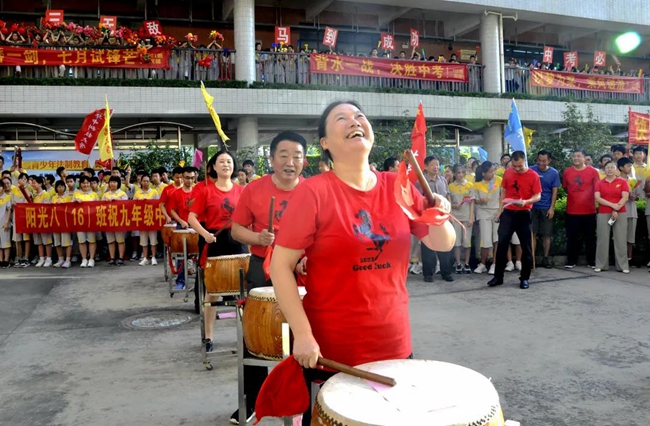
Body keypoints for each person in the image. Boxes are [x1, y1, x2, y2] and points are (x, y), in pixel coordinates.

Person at [269, 101, 454, 426]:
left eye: (359, 116)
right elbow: (280, 267)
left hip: (395, 343)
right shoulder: (313, 193)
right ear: (325, 143)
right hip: (333, 352)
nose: (354, 121)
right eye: (341, 118)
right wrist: (302, 334)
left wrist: (437, 215)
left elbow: (442, 243)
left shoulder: (398, 187)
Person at [230, 131, 307, 424]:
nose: (291, 161)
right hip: (262, 265)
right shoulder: (254, 189)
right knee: (257, 337)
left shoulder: (312, 190)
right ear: (272, 159)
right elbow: (237, 230)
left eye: (297, 156)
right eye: (284, 155)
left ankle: (304, 401)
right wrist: (258, 236)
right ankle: (253, 400)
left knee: (305, 335)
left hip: (301, 267)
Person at [188, 151, 246, 353]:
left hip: (239, 242)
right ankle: (209, 336)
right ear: (213, 167)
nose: (226, 164)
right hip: (215, 241)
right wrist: (205, 234)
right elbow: (192, 218)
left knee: (245, 292)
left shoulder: (242, 191)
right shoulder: (205, 191)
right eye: (221, 161)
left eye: (229, 161)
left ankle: (247, 337)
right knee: (212, 293)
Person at [487, 151, 541, 289]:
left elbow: (538, 195)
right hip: (508, 213)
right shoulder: (508, 173)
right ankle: (498, 277)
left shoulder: (533, 175)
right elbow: (503, 191)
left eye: (520, 166)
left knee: (526, 247)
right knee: (501, 245)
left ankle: (524, 278)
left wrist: (527, 201)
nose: (517, 169)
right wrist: (500, 210)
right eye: (514, 166)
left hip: (524, 213)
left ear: (524, 161)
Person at [417, 155, 455, 283]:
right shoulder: (421, 181)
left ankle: (446, 272)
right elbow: (417, 200)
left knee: (444, 244)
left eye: (437, 164)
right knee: (428, 246)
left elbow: (447, 196)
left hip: (442, 218)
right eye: (433, 164)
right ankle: (428, 274)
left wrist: (449, 213)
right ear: (426, 166)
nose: (436, 167)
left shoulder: (443, 180)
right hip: (428, 219)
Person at [562, 149, 600, 269]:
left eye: (579, 156)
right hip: (572, 210)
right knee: (572, 236)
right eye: (574, 156)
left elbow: (597, 189)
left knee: (590, 237)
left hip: (589, 210)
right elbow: (565, 187)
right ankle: (571, 260)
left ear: (585, 158)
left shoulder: (593, 171)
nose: (576, 158)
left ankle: (591, 260)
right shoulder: (567, 172)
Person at [594, 160, 629, 273]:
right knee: (602, 239)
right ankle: (601, 264)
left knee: (621, 239)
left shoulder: (622, 182)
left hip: (620, 213)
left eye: (612, 167)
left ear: (616, 169)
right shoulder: (599, 183)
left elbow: (625, 197)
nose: (609, 169)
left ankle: (622, 266)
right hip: (604, 213)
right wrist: (612, 205)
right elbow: (597, 198)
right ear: (604, 170)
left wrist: (616, 208)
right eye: (607, 167)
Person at [530, 150, 560, 268]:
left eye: (544, 161)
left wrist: (552, 208)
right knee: (532, 233)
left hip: (545, 207)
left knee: (546, 234)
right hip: (532, 207)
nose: (541, 163)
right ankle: (531, 258)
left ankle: (546, 258)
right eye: (539, 160)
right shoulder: (531, 170)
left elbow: (555, 191)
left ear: (549, 161)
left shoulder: (554, 173)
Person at [168, 167, 197, 286]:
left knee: (199, 254)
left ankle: (201, 282)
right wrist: (180, 221)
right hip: (182, 226)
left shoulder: (198, 192)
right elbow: (171, 210)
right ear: (182, 178)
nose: (189, 181)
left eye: (191, 178)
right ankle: (181, 281)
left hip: (196, 226)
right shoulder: (176, 193)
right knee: (181, 255)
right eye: (187, 178)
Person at [472, 162, 500, 274]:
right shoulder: (477, 184)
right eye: (490, 171)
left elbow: (503, 196)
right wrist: (481, 200)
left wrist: (500, 211)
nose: (493, 173)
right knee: (485, 239)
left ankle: (494, 264)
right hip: (483, 212)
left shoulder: (499, 180)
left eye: (494, 171)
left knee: (496, 239)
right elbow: (474, 201)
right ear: (483, 173)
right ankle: (483, 264)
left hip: (496, 212)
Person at [448, 164, 474, 273]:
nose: (461, 175)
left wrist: (471, 217)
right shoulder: (450, 186)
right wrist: (453, 208)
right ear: (454, 174)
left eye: (463, 172)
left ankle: (467, 263)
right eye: (458, 173)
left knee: (467, 242)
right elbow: (449, 203)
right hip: (455, 217)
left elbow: (472, 203)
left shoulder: (469, 185)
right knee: (457, 242)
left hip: (467, 216)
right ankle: (458, 263)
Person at [617, 158, 643, 265]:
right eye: (627, 165)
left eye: (630, 166)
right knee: (620, 236)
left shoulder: (633, 180)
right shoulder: (616, 180)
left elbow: (639, 197)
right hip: (620, 212)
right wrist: (625, 196)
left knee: (631, 237)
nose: (629, 168)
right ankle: (620, 258)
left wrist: (634, 197)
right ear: (621, 168)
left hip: (632, 212)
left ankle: (629, 258)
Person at [74, 176, 100, 267]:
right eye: (84, 183)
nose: (86, 185)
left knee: (92, 240)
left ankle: (91, 259)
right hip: (79, 221)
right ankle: (84, 259)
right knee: (82, 241)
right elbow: (69, 207)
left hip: (91, 221)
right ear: (80, 184)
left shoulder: (94, 195)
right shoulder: (76, 194)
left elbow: (99, 207)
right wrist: (75, 201)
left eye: (87, 183)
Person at [134, 173, 160, 266]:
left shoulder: (154, 192)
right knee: (143, 240)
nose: (146, 183)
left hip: (151, 219)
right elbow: (133, 206)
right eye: (144, 181)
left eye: (148, 181)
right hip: (141, 219)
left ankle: (153, 257)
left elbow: (158, 205)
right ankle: (145, 258)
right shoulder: (137, 193)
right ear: (141, 182)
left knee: (153, 239)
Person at [102, 176, 128, 266]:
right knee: (110, 240)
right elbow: (99, 206)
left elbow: (127, 206)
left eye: (114, 182)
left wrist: (117, 200)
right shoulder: (105, 194)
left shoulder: (122, 194)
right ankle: (112, 257)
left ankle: (121, 257)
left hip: (119, 220)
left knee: (120, 240)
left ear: (118, 183)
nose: (112, 184)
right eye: (111, 182)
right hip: (108, 220)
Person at [31, 176, 53, 267]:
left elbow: (47, 208)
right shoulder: (34, 195)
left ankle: (49, 258)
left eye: (34, 182)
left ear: (40, 184)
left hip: (44, 220)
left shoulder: (45, 194)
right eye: (32, 183)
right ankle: (41, 258)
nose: (32, 184)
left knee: (46, 241)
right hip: (36, 220)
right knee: (38, 241)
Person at [10, 173, 31, 268]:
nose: (23, 180)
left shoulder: (29, 189)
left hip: (26, 216)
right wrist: (13, 204)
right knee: (17, 239)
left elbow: (29, 200)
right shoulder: (13, 189)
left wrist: (25, 187)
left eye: (25, 179)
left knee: (26, 238)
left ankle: (26, 258)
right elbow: (11, 202)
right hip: (16, 216)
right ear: (18, 180)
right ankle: (19, 257)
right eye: (21, 178)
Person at [51, 181, 72, 268]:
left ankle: (68, 260)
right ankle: (60, 259)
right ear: (56, 188)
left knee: (67, 242)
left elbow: (71, 209)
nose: (60, 188)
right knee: (57, 242)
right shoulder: (53, 198)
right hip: (55, 222)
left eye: (62, 186)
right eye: (59, 187)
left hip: (65, 222)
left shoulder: (68, 197)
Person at [0, 177, 11, 268]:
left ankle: (6, 260)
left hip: (4, 222)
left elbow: (9, 210)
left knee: (5, 242)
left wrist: (7, 222)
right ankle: (1, 259)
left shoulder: (7, 197)